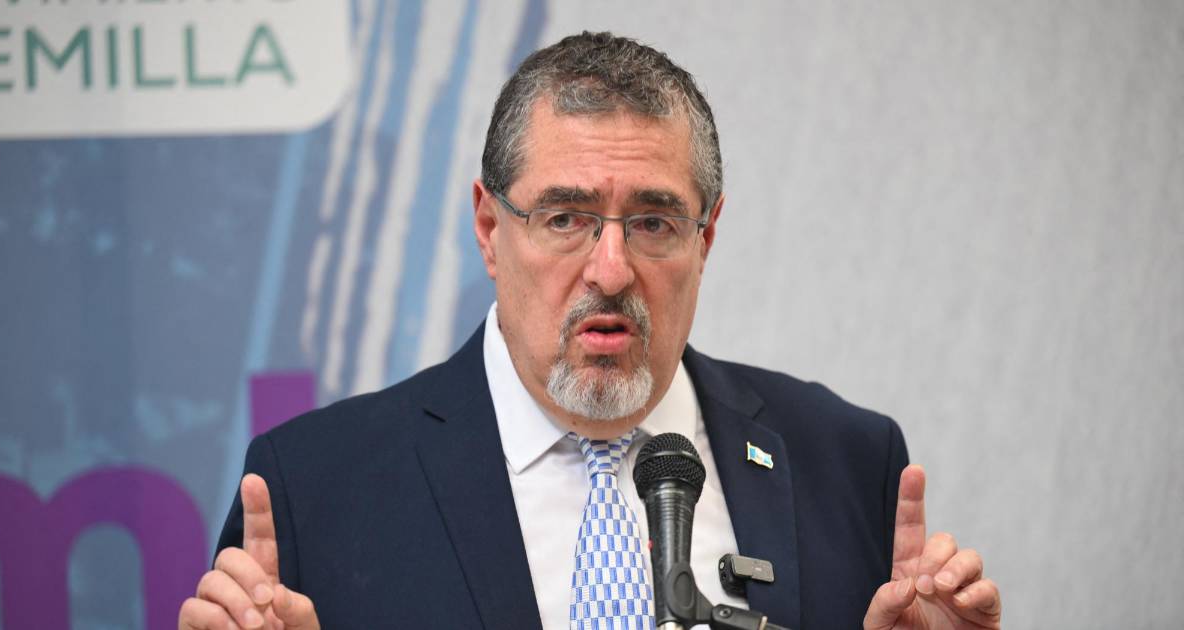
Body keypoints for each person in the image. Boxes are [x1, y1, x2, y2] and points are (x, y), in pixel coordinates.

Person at [179, 32, 1001, 630]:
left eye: (653, 222)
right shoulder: (315, 489)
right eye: (566, 217)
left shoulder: (848, 462)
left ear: (706, 239)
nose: (610, 270)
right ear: (489, 229)